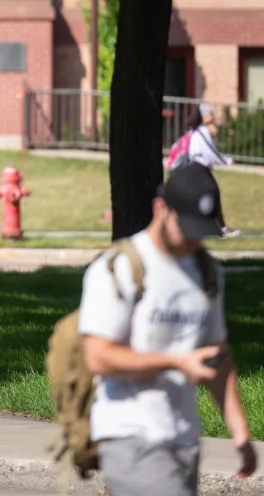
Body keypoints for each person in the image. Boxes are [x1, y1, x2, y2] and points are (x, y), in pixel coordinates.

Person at [78, 163, 256, 496]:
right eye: (185, 227)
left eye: (200, 231)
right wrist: (175, 362)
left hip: (184, 437)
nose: (193, 240)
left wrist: (240, 431)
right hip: (130, 433)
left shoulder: (206, 272)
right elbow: (97, 357)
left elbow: (218, 356)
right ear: (160, 209)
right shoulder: (119, 268)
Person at [175, 104, 239, 236]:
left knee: (204, 193)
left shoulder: (193, 131)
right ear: (204, 116)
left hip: (193, 168)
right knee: (213, 191)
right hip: (199, 167)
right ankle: (221, 228)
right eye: (210, 113)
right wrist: (227, 161)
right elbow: (210, 152)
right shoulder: (203, 131)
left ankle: (206, 226)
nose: (213, 116)